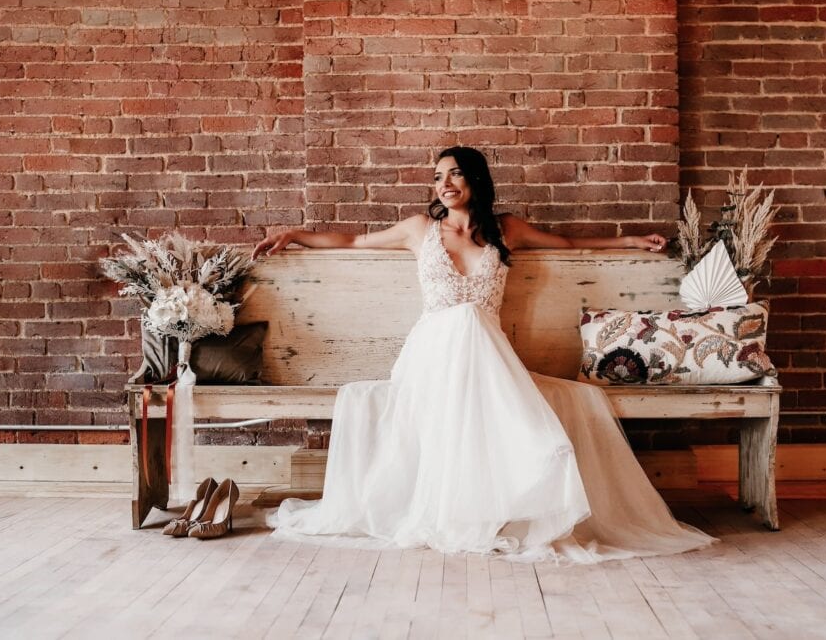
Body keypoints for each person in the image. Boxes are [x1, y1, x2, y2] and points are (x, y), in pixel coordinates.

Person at [252, 146, 716, 564]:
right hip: (433, 355)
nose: (445, 184)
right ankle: (454, 509)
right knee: (460, 353)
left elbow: (569, 244)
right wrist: (295, 233)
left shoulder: (505, 230)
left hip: (488, 355)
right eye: (438, 177)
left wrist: (631, 241)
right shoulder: (420, 230)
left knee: (526, 413)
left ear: (476, 179)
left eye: (455, 174)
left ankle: (503, 509)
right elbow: (354, 241)